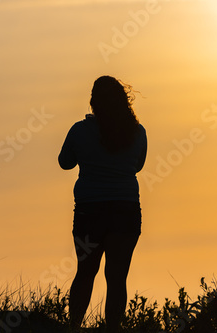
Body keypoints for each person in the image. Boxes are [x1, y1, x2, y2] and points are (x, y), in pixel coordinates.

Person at [58, 76, 147, 331]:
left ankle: (74, 326)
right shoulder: (137, 132)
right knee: (117, 278)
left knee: (85, 272)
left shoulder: (79, 130)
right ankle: (113, 329)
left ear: (93, 101)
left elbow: (65, 162)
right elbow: (138, 166)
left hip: (90, 213)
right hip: (125, 212)